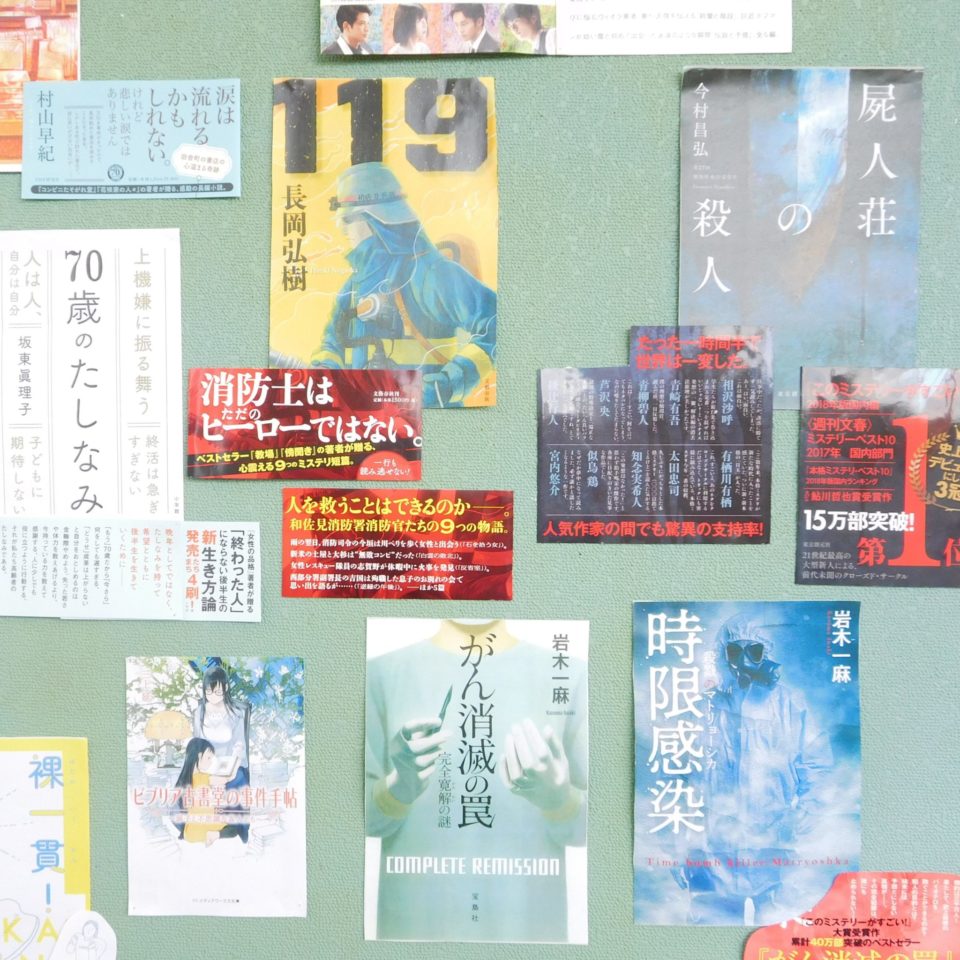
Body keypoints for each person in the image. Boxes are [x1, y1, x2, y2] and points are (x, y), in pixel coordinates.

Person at [365, 619, 588, 941]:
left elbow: (600, 829)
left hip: (528, 928)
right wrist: (398, 787)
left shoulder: (570, 675)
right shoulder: (380, 673)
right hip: (415, 926)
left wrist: (560, 799)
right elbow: (353, 821)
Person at [674, 615, 833, 924]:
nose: (744, 661)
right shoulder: (704, 708)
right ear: (723, 654)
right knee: (709, 936)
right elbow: (680, 781)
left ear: (766, 652)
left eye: (754, 651)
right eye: (735, 651)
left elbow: (817, 767)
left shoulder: (789, 704)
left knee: (776, 938)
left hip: (773, 853)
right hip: (714, 857)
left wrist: (800, 825)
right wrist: (677, 849)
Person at [310, 160, 496, 408]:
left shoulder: (431, 274)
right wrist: (324, 371)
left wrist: (450, 382)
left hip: (427, 413)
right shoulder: (353, 285)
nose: (342, 229)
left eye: (348, 219)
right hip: (367, 416)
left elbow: (496, 324)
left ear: (376, 220)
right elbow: (332, 343)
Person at [192, 663, 252, 842]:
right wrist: (201, 769)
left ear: (225, 688)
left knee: (236, 780)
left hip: (231, 762)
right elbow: (197, 744)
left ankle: (230, 828)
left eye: (218, 691)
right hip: (208, 763)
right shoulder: (199, 712)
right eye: (209, 692)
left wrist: (229, 773)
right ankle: (208, 827)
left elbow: (239, 745)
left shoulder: (236, 712)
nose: (213, 696)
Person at [173, 737, 230, 846]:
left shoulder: (182, 782)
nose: (210, 762)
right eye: (209, 758)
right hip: (207, 829)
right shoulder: (207, 778)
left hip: (189, 833)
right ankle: (213, 836)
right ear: (199, 756)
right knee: (235, 827)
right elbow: (226, 779)